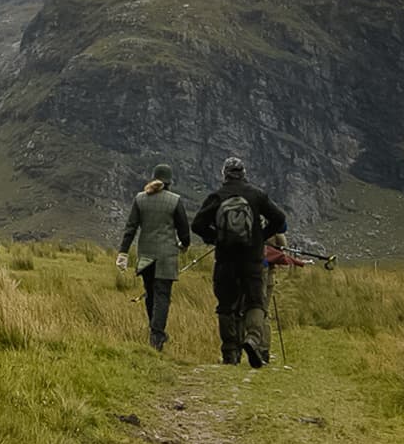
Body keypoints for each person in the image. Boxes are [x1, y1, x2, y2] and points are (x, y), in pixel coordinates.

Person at [192, 157, 287, 367]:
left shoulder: (216, 197)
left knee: (226, 306)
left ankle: (230, 353)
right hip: (252, 260)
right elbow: (280, 218)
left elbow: (197, 225)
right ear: (244, 173)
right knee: (255, 302)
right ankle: (253, 338)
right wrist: (260, 236)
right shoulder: (257, 195)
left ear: (224, 174)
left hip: (225, 260)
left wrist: (215, 238)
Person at [117, 163, 191, 352]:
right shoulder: (175, 200)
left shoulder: (140, 199)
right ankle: (157, 335)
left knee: (150, 294)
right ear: (169, 181)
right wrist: (183, 245)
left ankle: (154, 331)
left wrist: (123, 252)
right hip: (166, 257)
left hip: (146, 256)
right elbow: (184, 231)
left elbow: (130, 228)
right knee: (162, 296)